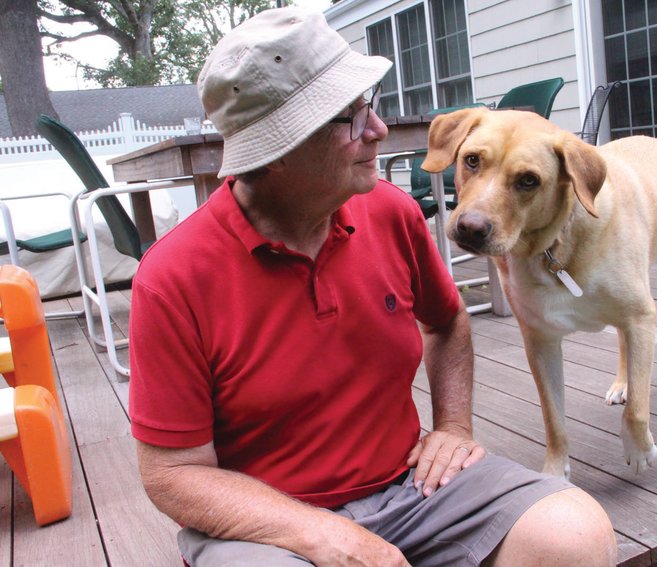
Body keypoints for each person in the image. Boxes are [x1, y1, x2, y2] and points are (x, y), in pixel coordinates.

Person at [129, 7, 617, 566]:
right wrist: (321, 536)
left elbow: (448, 320)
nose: (378, 130)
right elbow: (172, 474)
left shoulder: (390, 213)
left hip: (412, 488)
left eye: (371, 105)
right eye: (349, 118)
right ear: (277, 149)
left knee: (574, 534)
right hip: (267, 526)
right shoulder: (174, 278)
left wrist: (453, 426)